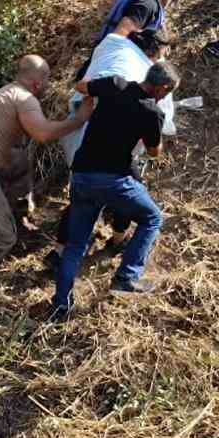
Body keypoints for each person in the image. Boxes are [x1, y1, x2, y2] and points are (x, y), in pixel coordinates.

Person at [0, 56, 93, 289]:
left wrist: (22, 204)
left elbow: (16, 157)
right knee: (3, 236)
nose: (48, 86)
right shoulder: (25, 100)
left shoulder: (5, 93)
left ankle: (16, 221)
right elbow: (43, 134)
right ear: (36, 83)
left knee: (15, 166)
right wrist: (79, 119)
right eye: (47, 80)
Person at [49, 62, 179, 320]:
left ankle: (61, 305)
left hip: (82, 175)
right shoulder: (151, 112)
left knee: (75, 244)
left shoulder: (114, 84)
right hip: (114, 180)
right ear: (162, 88)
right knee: (152, 217)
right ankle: (126, 277)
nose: (166, 96)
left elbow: (80, 86)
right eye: (168, 91)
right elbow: (153, 152)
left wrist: (93, 101)